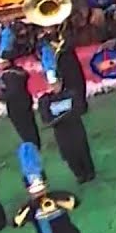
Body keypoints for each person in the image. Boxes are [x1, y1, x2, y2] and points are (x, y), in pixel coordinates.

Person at [36, 44, 95, 183]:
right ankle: (79, 173)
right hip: (61, 131)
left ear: (61, 82)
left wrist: (62, 117)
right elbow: (46, 118)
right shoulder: (45, 100)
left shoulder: (71, 93)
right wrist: (61, 117)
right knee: (69, 153)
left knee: (82, 149)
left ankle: (89, 171)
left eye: (56, 83)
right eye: (52, 85)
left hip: (75, 127)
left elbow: (79, 108)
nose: (54, 87)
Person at [0, 24, 38, 149]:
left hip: (17, 105)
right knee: (30, 124)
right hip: (25, 101)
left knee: (23, 128)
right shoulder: (17, 70)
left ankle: (32, 146)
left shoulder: (9, 75)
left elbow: (12, 92)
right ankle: (34, 143)